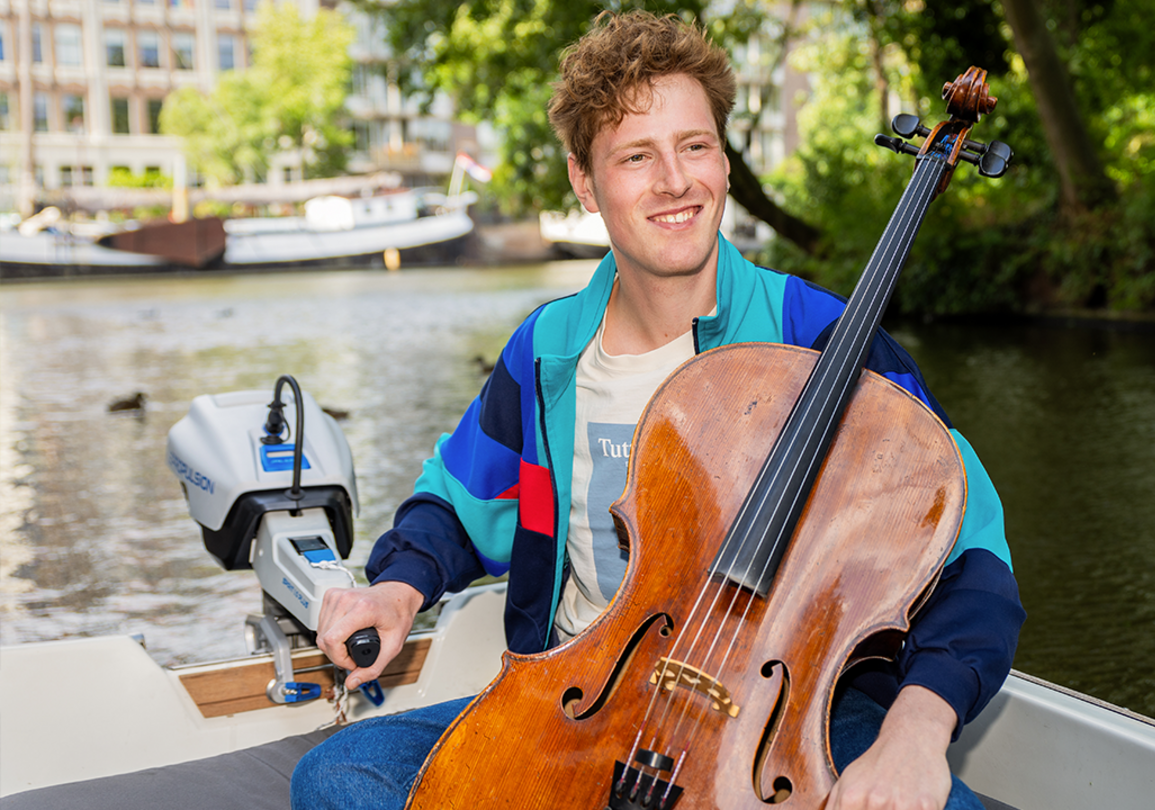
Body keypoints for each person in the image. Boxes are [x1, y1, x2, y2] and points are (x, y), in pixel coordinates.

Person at [293, 11, 1023, 810]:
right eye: (637, 156)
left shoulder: (820, 339)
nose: (675, 181)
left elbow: (972, 555)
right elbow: (457, 506)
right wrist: (395, 591)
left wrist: (916, 732)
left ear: (725, 159)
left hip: (778, 715)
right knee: (338, 775)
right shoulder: (548, 351)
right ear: (584, 181)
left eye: (695, 146)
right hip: (578, 704)